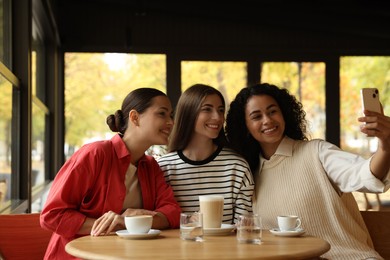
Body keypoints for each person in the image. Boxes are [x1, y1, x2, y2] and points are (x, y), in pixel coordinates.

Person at [225, 82, 390, 260]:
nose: (267, 120)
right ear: (246, 127)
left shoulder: (316, 152)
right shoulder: (251, 176)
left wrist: (386, 146)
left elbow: (364, 175)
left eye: (273, 111)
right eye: (256, 116)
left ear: (284, 114)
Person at [40, 88, 181, 259]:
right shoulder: (95, 154)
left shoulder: (150, 166)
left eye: (170, 115)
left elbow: (172, 212)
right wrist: (116, 225)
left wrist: (130, 221)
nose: (171, 122)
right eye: (162, 114)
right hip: (77, 256)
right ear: (135, 117)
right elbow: (52, 215)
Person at [157, 84, 254, 225]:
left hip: (225, 247)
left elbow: (243, 228)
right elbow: (159, 221)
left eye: (221, 110)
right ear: (188, 113)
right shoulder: (164, 167)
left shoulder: (237, 166)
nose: (218, 117)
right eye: (207, 109)